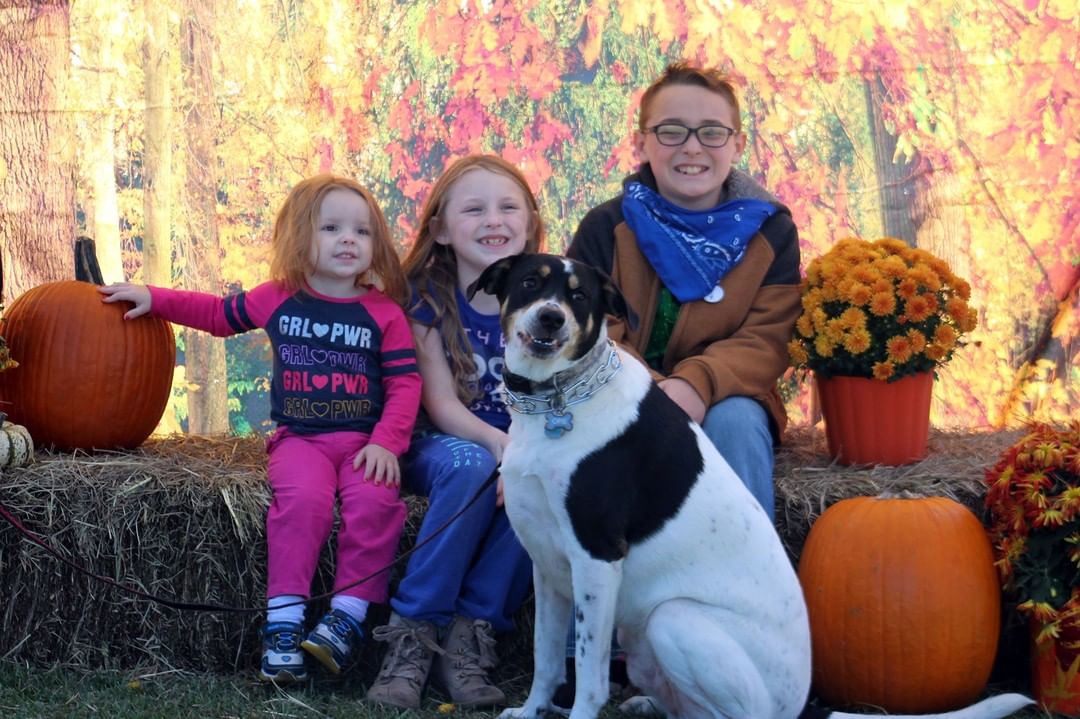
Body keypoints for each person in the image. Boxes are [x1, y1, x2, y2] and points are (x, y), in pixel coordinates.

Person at [99, 174, 422, 684]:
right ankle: (285, 628)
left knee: (377, 504)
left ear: (376, 244)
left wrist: (387, 441)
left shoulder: (384, 314)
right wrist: (153, 297)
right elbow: (216, 315)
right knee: (303, 506)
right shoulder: (279, 297)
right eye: (331, 227)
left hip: (364, 445)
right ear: (299, 236)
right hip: (302, 442)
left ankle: (346, 619)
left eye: (361, 231)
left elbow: (405, 384)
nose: (348, 240)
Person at [560, 61, 802, 705]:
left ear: (737, 143)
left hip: (721, 396)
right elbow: (590, 327)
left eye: (710, 132)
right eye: (671, 130)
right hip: (618, 397)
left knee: (739, 423)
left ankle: (745, 614)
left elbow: (766, 337)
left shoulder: (770, 228)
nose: (691, 147)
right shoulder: (605, 224)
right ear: (640, 142)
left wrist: (695, 383)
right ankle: (610, 637)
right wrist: (649, 388)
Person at [364, 154, 542, 710]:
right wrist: (503, 448)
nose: (494, 219)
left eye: (508, 206)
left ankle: (473, 634)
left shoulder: (547, 300)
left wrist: (524, 455)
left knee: (545, 481)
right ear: (439, 228)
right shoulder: (426, 300)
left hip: (515, 443)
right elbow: (439, 404)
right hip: (437, 446)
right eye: (474, 209)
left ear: (531, 222)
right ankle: (412, 635)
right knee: (476, 463)